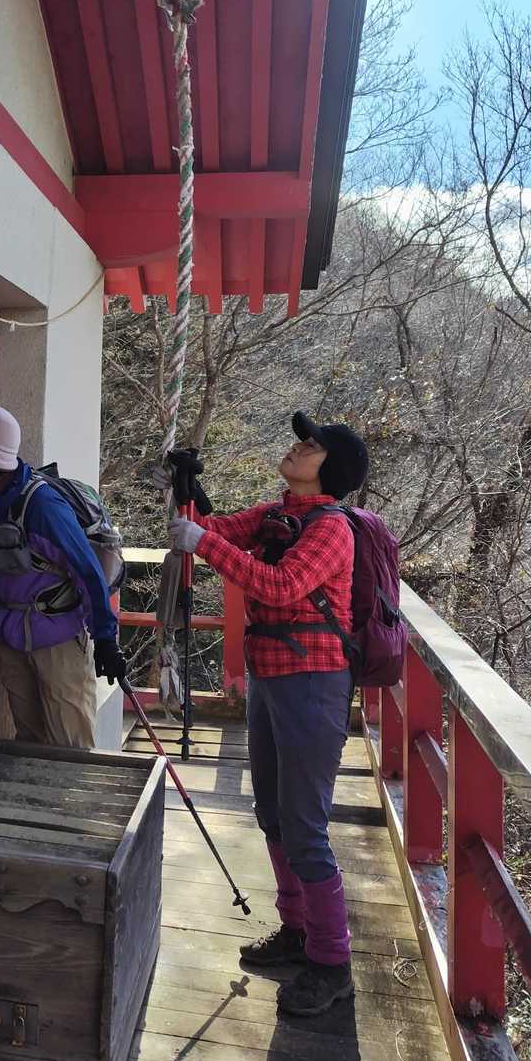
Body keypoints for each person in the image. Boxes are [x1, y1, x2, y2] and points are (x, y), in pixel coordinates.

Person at [168, 410, 369, 1018]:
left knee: (304, 824)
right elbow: (213, 531)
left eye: (311, 446)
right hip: (272, 678)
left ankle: (332, 963)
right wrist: (185, 488)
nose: (298, 448)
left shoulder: (332, 529)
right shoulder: (279, 514)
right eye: (301, 441)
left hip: (314, 684)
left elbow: (280, 585)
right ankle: (297, 931)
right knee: (272, 814)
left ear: (331, 468)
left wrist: (203, 542)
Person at [0, 401, 126, 748]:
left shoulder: (42, 506)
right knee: (28, 743)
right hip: (13, 640)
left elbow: (86, 571)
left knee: (69, 748)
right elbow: (8, 557)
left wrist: (105, 639)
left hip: (58, 642)